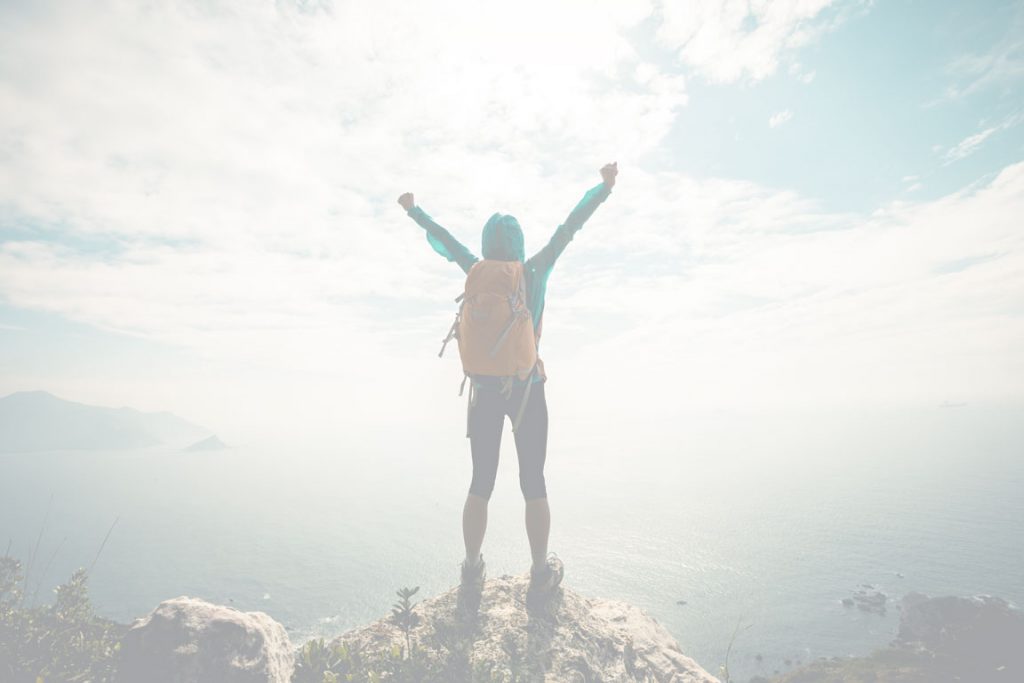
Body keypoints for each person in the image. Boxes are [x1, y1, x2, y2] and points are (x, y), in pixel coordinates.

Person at [397, 162, 617, 598]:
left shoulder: (476, 271)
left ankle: (471, 569)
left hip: (483, 392)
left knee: (481, 481)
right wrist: (604, 188)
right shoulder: (532, 272)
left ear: (486, 244)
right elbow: (569, 227)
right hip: (527, 391)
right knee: (533, 481)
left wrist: (414, 212)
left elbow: (445, 241)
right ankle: (539, 572)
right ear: (517, 244)